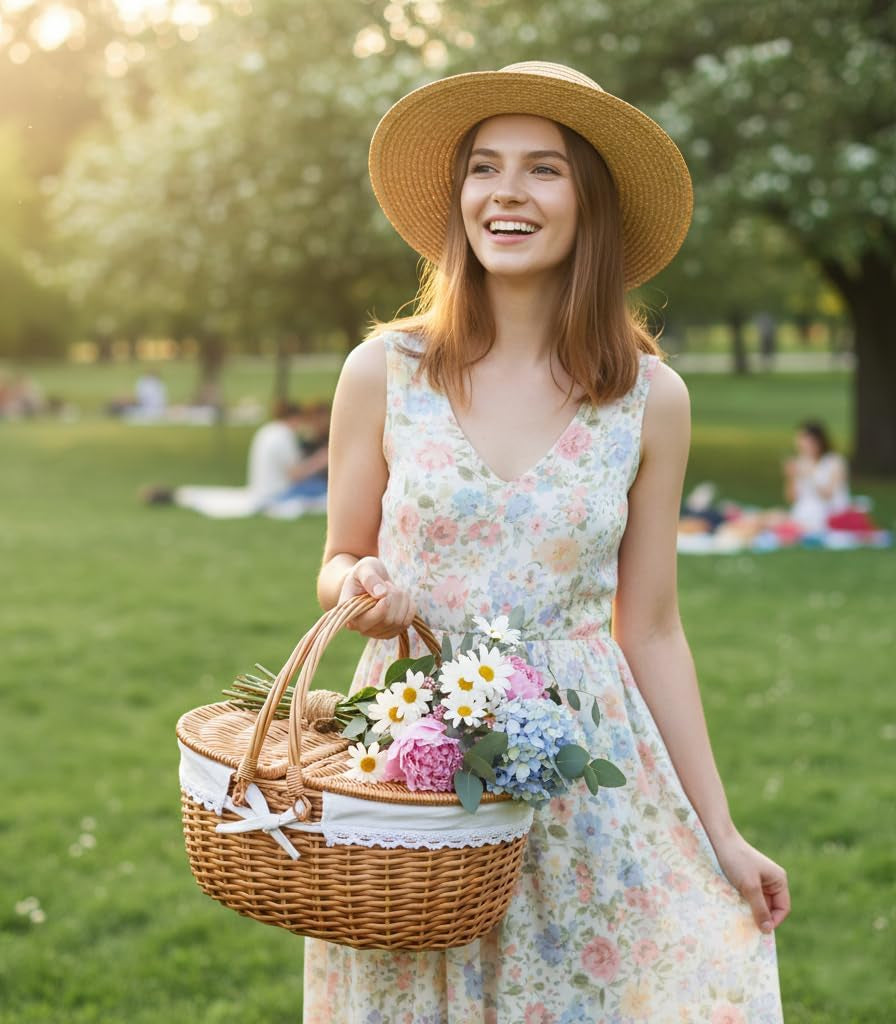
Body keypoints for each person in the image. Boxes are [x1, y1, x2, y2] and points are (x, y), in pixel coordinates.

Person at [304, 63, 787, 1021]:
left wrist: (722, 833)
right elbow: (333, 564)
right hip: (415, 759)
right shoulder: (383, 372)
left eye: (544, 170)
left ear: (590, 206)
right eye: (485, 168)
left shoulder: (650, 401)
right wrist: (358, 582)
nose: (507, 194)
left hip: (581, 764)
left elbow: (651, 630)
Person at [142, 400, 328, 518]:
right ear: (295, 418)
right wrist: (320, 460)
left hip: (264, 488)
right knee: (323, 489)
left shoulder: (268, 431)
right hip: (276, 493)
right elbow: (295, 475)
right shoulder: (283, 435)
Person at [784, 420, 850, 535]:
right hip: (803, 512)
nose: (801, 444)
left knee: (776, 520)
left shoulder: (834, 462)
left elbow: (828, 495)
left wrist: (809, 475)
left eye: (805, 440)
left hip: (828, 513)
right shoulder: (800, 462)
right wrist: (790, 477)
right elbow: (791, 499)